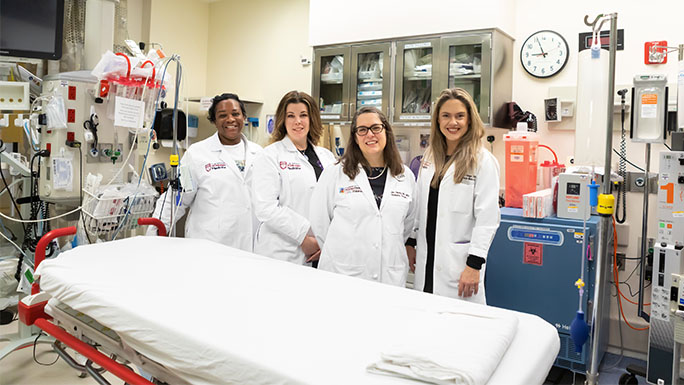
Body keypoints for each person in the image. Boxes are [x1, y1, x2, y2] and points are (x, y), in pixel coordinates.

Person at [409, 88, 500, 303]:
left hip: (460, 265)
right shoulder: (430, 157)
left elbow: (487, 219)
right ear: (438, 121)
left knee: (461, 329)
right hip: (427, 259)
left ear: (470, 120)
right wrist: (411, 242)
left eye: (460, 116)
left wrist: (474, 265)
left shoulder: (483, 161)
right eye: (446, 116)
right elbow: (421, 205)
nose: (453, 122)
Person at [309, 107, 416, 286]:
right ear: (355, 137)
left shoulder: (405, 176)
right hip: (344, 275)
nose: (370, 135)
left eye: (376, 128)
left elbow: (407, 223)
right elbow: (320, 223)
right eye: (362, 130)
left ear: (386, 131)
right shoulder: (335, 173)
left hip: (389, 276)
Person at [148, 93, 262, 251]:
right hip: (210, 245)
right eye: (222, 115)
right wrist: (155, 230)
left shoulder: (260, 154)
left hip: (252, 246)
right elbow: (177, 197)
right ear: (214, 121)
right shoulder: (196, 154)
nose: (230, 119)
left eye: (236, 114)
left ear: (244, 117)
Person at [251, 91, 336, 266]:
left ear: (311, 118)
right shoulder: (269, 156)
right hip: (282, 251)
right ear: (283, 120)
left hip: (322, 249)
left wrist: (324, 241)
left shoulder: (327, 158)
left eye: (303, 115)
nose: (297, 121)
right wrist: (304, 238)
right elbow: (265, 207)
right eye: (291, 116)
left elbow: (335, 202)